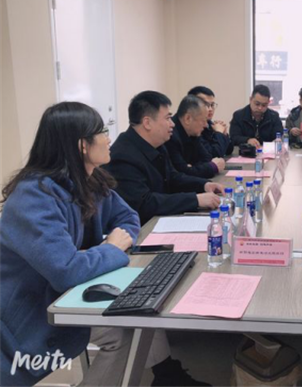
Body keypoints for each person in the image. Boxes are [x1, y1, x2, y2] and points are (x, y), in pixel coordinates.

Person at [0, 103, 200, 387]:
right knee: (124, 331)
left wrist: (103, 248)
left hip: (68, 294)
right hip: (28, 315)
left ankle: (167, 375)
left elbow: (128, 217)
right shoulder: (34, 196)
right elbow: (66, 271)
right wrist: (110, 249)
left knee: (140, 309)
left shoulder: (88, 180)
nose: (109, 138)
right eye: (103, 131)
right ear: (82, 145)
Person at [104, 91, 223, 225]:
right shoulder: (123, 156)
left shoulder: (157, 144)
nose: (172, 124)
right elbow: (144, 203)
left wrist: (204, 185)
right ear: (147, 123)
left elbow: (173, 177)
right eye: (167, 118)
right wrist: (195, 200)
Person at [165, 95, 225, 179]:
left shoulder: (193, 131)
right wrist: (212, 167)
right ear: (188, 119)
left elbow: (207, 158)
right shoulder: (170, 135)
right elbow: (182, 173)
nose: (205, 125)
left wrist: (193, 167)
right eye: (203, 120)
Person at [188, 86, 233, 158]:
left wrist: (224, 134)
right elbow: (214, 154)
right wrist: (219, 133)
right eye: (206, 105)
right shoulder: (192, 127)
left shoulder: (209, 123)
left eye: (212, 105)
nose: (210, 109)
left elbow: (229, 150)